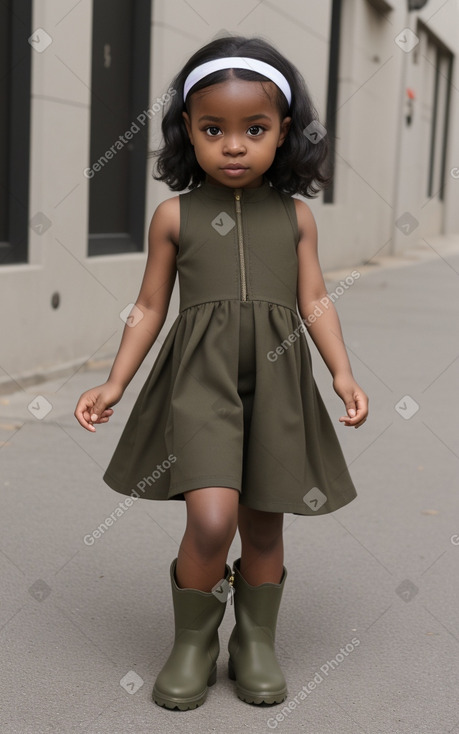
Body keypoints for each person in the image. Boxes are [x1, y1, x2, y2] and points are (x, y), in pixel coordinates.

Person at [74, 34, 369, 711]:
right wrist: (114, 382)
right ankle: (193, 642)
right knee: (211, 518)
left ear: (284, 133)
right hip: (198, 380)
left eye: (254, 129)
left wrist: (341, 373)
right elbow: (149, 306)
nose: (233, 145)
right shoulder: (173, 215)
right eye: (213, 129)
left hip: (278, 381)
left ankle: (253, 643)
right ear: (188, 130)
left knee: (264, 521)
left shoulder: (295, 218)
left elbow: (314, 298)